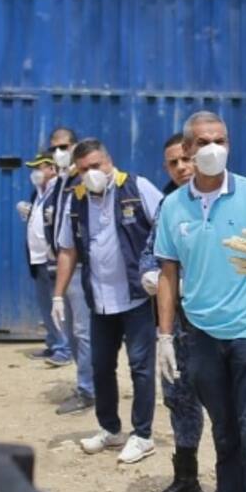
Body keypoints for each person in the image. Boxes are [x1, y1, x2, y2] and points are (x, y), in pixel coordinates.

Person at [154, 111, 246, 492]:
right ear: (187, 149)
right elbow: (168, 272)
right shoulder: (173, 206)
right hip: (201, 335)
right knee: (225, 434)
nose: (213, 149)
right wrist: (164, 335)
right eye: (203, 142)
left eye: (220, 140)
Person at [52, 139, 164, 463]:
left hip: (136, 298)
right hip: (99, 302)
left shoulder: (136, 187)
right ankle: (110, 429)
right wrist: (58, 294)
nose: (91, 173)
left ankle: (142, 435)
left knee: (141, 368)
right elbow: (67, 249)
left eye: (96, 165)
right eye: (83, 169)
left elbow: (166, 226)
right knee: (101, 367)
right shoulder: (76, 200)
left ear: (109, 161)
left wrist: (158, 269)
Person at [138, 134, 213, 492]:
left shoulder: (228, 199)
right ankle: (186, 481)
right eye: (173, 163)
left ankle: (231, 489)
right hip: (178, 327)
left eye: (187, 159)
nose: (182, 167)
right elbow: (149, 253)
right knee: (179, 400)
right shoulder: (168, 204)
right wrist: (150, 275)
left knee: (225, 407)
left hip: (219, 325)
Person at [45, 127, 96, 415]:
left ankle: (88, 389)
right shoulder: (62, 181)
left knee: (82, 331)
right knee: (73, 332)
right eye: (54, 149)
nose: (58, 153)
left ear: (76, 147)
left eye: (64, 147)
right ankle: (87, 383)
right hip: (63, 265)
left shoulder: (85, 179)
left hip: (80, 266)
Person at [17, 150, 73, 368]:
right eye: (32, 169)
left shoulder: (59, 190)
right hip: (37, 257)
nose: (34, 172)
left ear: (51, 168)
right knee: (45, 304)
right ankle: (53, 342)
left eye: (38, 168)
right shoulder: (39, 192)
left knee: (58, 304)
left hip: (52, 257)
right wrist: (30, 212)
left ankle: (65, 348)